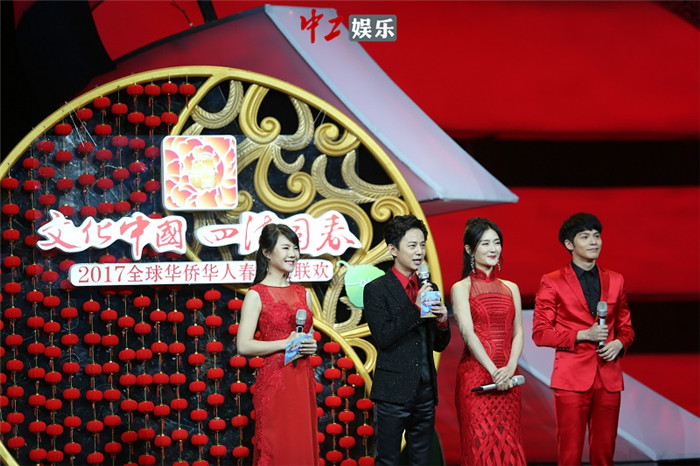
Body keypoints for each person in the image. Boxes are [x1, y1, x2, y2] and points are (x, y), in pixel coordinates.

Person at [532, 212, 634, 466]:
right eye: (585, 237)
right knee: (569, 454)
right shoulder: (552, 282)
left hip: (608, 379)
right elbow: (540, 333)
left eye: (597, 236)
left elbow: (626, 328)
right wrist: (581, 335)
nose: (594, 242)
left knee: (604, 453)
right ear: (569, 244)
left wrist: (619, 343)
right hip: (571, 380)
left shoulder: (616, 280)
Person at [363, 214, 451, 466]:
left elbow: (438, 345)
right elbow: (383, 337)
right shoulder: (376, 289)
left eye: (422, 245)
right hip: (393, 391)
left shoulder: (429, 288)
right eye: (412, 245)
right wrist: (415, 308)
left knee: (421, 460)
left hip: (425, 390)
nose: (419, 251)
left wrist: (442, 322)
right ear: (393, 249)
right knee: (387, 460)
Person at [237, 223, 319, 466]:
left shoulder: (303, 293)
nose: (293, 254)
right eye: (285, 248)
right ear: (266, 252)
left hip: (302, 378)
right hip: (276, 381)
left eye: (295, 248)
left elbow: (309, 335)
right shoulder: (256, 294)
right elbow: (244, 345)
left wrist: (311, 345)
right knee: (279, 446)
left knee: (301, 446)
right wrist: (285, 343)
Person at [451, 217, 526, 466]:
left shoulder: (511, 288)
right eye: (485, 244)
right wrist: (494, 371)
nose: (493, 249)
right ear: (469, 249)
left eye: (497, 243)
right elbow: (468, 333)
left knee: (509, 447)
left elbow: (518, 332)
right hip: (478, 377)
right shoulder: (461, 288)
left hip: (509, 378)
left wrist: (510, 367)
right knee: (480, 448)